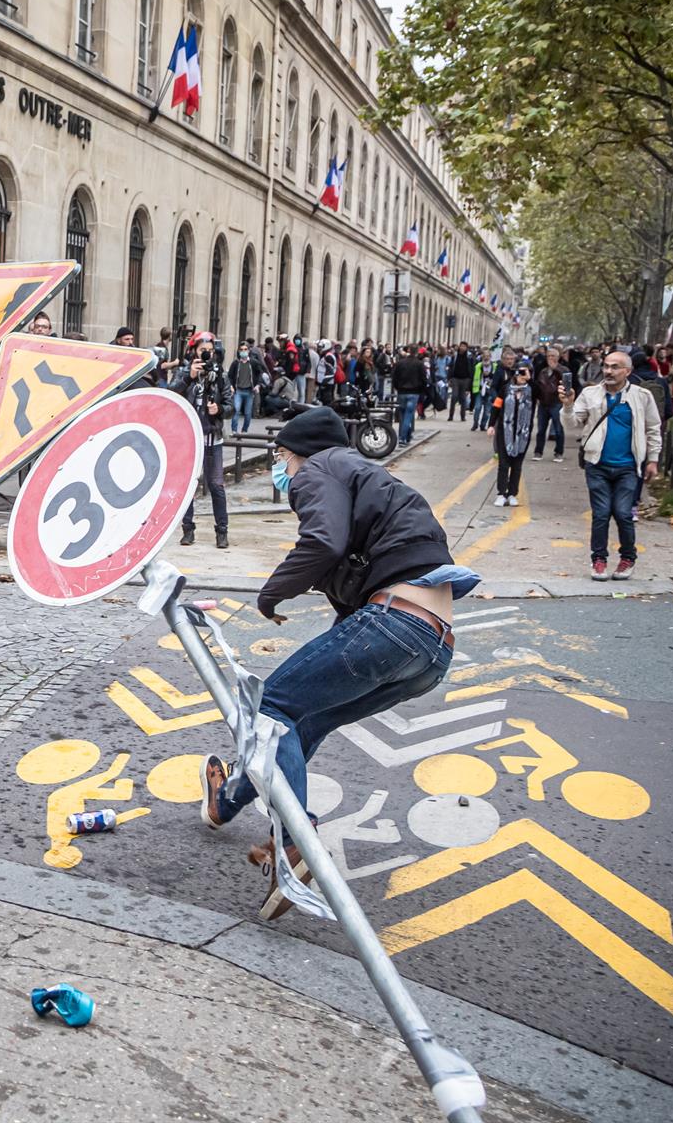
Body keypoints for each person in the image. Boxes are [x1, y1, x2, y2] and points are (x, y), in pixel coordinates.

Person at [200, 405, 469, 920]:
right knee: (301, 721)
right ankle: (227, 799)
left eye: (281, 457)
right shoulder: (373, 479)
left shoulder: (318, 469)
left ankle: (296, 842)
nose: (282, 469)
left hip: (394, 623)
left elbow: (324, 541)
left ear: (299, 453)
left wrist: (270, 596)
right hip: (432, 649)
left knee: (269, 706)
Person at [571, 350, 662, 581]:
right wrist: (566, 405)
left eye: (615, 367)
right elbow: (573, 422)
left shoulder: (642, 396)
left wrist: (653, 459)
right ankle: (598, 559)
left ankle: (627, 558)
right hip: (597, 464)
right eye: (606, 366)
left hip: (628, 466)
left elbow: (653, 428)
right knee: (601, 514)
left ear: (627, 371)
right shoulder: (590, 394)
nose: (609, 371)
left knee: (623, 513)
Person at [167, 333, 231, 549]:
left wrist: (220, 408)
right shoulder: (185, 371)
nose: (206, 353)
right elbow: (171, 393)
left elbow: (231, 407)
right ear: (194, 350)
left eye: (210, 350)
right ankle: (188, 530)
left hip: (213, 437)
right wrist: (189, 377)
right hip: (189, 438)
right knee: (188, 486)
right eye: (203, 349)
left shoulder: (220, 375)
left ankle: (222, 532)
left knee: (216, 485)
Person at [493, 360, 535, 505]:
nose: (522, 375)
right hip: (505, 431)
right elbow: (497, 406)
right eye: (520, 371)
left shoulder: (532, 389)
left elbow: (543, 394)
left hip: (523, 433)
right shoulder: (505, 388)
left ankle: (512, 493)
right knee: (503, 464)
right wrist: (491, 424)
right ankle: (501, 493)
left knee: (517, 465)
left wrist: (530, 379)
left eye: (525, 371)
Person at [531, 347, 568, 462]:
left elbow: (567, 384)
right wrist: (537, 398)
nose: (550, 358)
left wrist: (556, 369)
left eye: (553, 356)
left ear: (558, 357)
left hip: (556, 403)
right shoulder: (543, 371)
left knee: (558, 429)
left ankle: (558, 452)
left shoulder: (563, 370)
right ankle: (538, 452)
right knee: (541, 429)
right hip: (543, 403)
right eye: (548, 356)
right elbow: (538, 385)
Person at [391, 346, 427, 446]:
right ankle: (403, 437)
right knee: (408, 414)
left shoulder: (400, 363)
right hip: (414, 392)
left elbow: (394, 377)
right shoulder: (419, 364)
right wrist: (421, 390)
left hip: (402, 391)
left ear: (408, 351)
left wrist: (398, 388)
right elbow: (424, 379)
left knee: (403, 414)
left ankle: (406, 435)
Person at [227, 341, 262, 433]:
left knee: (247, 413)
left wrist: (257, 385)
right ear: (238, 351)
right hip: (238, 391)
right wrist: (231, 386)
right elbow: (230, 376)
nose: (243, 351)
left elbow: (260, 374)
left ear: (249, 350)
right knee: (236, 410)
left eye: (245, 349)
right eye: (241, 349)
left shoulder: (253, 363)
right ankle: (234, 431)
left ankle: (244, 430)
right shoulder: (235, 363)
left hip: (249, 391)